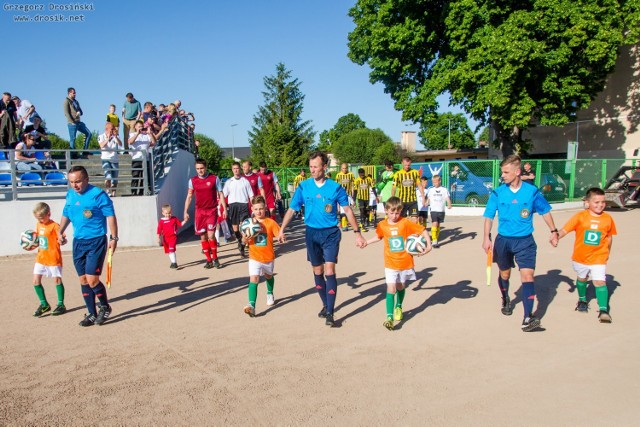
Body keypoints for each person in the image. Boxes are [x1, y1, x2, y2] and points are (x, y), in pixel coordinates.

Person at [278, 151, 367, 327]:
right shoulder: (303, 187)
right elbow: (292, 209)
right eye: (310, 166)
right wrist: (281, 229)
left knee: (329, 271)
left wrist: (358, 233)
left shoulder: (335, 188)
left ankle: (330, 313)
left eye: (316, 166)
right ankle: (326, 304)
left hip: (330, 234)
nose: (312, 170)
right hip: (312, 233)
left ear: (324, 167)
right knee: (317, 272)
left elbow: (347, 210)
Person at [482, 155, 559, 332]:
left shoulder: (532, 192)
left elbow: (545, 211)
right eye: (502, 172)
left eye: (506, 172)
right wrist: (486, 238)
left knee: (528, 276)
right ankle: (505, 298)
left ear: (517, 171)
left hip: (525, 241)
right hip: (503, 241)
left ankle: (527, 317)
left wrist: (553, 231)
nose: (503, 176)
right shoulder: (497, 192)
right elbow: (488, 216)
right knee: (505, 275)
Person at [58, 166, 118, 327]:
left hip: (96, 241)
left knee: (92, 280)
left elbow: (110, 216)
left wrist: (114, 237)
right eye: (71, 182)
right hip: (78, 242)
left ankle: (105, 306)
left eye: (77, 181)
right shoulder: (70, 195)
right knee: (83, 280)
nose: (74, 185)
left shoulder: (98, 195)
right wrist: (60, 232)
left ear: (86, 179)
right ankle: (92, 313)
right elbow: (66, 214)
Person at [364, 197, 431, 330]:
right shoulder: (382, 225)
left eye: (397, 213)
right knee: (391, 288)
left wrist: (429, 244)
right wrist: (366, 242)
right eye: (391, 212)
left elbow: (422, 230)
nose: (394, 216)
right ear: (386, 211)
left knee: (401, 286)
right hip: (390, 262)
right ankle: (389, 318)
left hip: (405, 262)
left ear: (400, 211)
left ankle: (399, 306)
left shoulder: (405, 223)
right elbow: (379, 236)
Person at [557, 188, 617, 323]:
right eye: (596, 202)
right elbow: (565, 230)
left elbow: (609, 237)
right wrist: (556, 237)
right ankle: (582, 300)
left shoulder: (608, 219)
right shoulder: (580, 217)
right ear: (587, 202)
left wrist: (608, 252)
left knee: (600, 282)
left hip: (599, 257)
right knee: (582, 279)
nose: (600, 205)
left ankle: (603, 310)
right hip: (581, 257)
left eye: (602, 202)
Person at [183, 159, 227, 269]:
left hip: (211, 210)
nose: (200, 170)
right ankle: (209, 260)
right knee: (203, 237)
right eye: (197, 169)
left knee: (211, 235)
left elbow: (221, 194)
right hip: (199, 212)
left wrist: (224, 209)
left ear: (206, 167)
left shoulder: (214, 178)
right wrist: (185, 211)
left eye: (201, 168)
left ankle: (216, 258)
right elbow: (189, 196)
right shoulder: (192, 181)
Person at [242, 196, 281, 317]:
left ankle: (270, 292)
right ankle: (252, 305)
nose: (259, 211)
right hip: (254, 257)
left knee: (269, 276)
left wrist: (281, 237)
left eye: (261, 209)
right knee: (254, 279)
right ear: (252, 210)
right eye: (256, 209)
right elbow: (244, 241)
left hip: (268, 257)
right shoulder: (248, 224)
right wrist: (244, 238)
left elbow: (278, 234)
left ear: (265, 209)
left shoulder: (271, 223)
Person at [30, 202, 67, 317]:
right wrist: (31, 244)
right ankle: (44, 304)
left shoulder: (55, 226)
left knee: (57, 281)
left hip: (53, 258)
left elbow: (63, 239)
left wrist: (62, 240)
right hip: (41, 258)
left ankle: (61, 305)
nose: (40, 220)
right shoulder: (38, 224)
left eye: (41, 218)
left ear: (49, 214)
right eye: (38, 218)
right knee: (35, 281)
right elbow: (38, 240)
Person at [223, 162, 255, 258]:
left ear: (240, 169)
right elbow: (223, 195)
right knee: (235, 229)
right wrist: (221, 207)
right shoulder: (229, 182)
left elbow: (251, 195)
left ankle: (242, 246)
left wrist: (253, 206)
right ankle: (239, 240)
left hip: (243, 205)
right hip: (233, 206)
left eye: (237, 168)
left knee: (243, 227)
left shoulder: (245, 181)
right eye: (234, 168)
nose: (236, 170)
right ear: (232, 170)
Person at [391, 156, 424, 222]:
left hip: (413, 200)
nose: (407, 166)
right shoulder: (397, 174)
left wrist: (423, 196)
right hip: (402, 201)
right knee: (401, 219)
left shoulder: (415, 172)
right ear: (402, 163)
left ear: (411, 164)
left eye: (408, 165)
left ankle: (412, 232)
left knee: (415, 220)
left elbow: (419, 185)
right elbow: (394, 188)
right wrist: (393, 198)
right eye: (405, 165)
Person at [128, 120, 156, 196]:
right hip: (136, 159)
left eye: (141, 126)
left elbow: (154, 143)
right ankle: (134, 192)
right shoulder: (132, 134)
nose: (140, 128)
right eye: (139, 126)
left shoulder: (146, 135)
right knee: (136, 176)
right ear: (135, 127)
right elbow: (130, 142)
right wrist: (137, 133)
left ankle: (142, 191)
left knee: (145, 177)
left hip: (145, 159)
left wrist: (150, 134)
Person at [63, 88, 92, 158]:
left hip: (78, 122)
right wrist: (72, 121)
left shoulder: (76, 101)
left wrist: (79, 112)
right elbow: (66, 113)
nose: (75, 94)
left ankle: (85, 150)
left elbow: (81, 111)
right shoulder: (66, 101)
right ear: (69, 93)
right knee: (73, 138)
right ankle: (72, 153)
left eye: (75, 93)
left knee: (89, 133)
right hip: (72, 123)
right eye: (73, 93)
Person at [426, 175, 452, 247]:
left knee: (438, 225)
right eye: (433, 182)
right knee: (435, 223)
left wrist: (449, 204)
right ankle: (434, 240)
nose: (434, 184)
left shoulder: (444, 189)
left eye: (435, 182)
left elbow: (447, 197)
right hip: (433, 210)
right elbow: (429, 198)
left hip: (441, 210)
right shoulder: (431, 189)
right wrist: (426, 203)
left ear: (439, 181)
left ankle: (436, 238)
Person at [157, 204, 184, 269]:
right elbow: (159, 230)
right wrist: (158, 238)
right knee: (169, 251)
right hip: (165, 239)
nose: (168, 215)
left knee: (171, 250)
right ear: (163, 213)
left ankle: (174, 263)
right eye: (166, 213)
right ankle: (172, 262)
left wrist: (185, 220)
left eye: (169, 213)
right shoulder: (161, 221)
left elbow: (180, 224)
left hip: (173, 237)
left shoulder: (174, 219)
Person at [98, 122, 122, 197]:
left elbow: (120, 144)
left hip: (114, 159)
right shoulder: (101, 136)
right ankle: (108, 191)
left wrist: (116, 137)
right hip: (105, 159)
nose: (113, 130)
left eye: (113, 129)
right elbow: (101, 145)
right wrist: (107, 139)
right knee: (108, 176)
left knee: (114, 179)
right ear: (107, 129)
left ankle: (114, 193)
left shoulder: (115, 136)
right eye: (111, 129)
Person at [335, 163, 355, 230]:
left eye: (345, 168)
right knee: (342, 211)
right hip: (341, 196)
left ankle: (347, 223)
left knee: (348, 210)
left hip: (348, 195)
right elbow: (336, 186)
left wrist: (352, 194)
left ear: (347, 168)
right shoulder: (338, 175)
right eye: (343, 168)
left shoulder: (351, 174)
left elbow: (353, 184)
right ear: (341, 168)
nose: (344, 169)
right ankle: (344, 225)